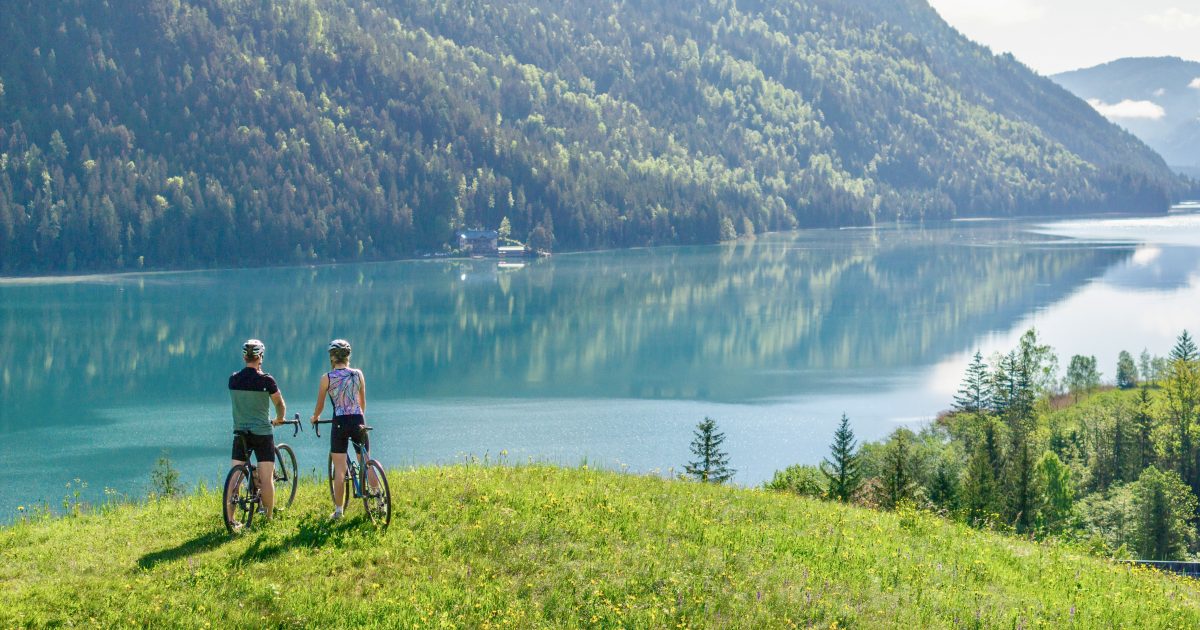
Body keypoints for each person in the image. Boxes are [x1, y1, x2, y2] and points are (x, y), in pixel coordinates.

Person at [310, 339, 370, 520]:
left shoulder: (326, 378)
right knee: (366, 461)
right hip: (358, 420)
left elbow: (319, 406)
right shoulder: (357, 374)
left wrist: (315, 417)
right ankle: (378, 495)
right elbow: (362, 403)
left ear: (332, 357)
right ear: (348, 356)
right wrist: (357, 416)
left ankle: (338, 511)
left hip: (340, 423)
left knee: (340, 470)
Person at [228, 339, 286, 521]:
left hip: (241, 433)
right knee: (267, 478)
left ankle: (230, 519)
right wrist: (280, 419)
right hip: (262, 433)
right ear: (260, 356)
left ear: (245, 356)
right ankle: (268, 517)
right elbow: (279, 403)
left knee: (235, 475)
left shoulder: (233, 379)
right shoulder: (266, 380)